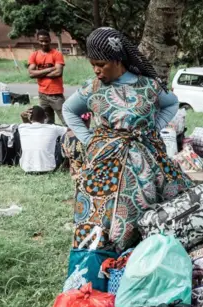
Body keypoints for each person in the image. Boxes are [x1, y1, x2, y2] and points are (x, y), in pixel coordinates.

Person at [62, 27, 191, 252]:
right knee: (102, 212)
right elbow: (69, 110)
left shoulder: (148, 86)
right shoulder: (92, 88)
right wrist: (88, 139)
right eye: (92, 64)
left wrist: (154, 127)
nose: (96, 70)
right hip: (105, 163)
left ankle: (147, 254)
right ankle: (102, 257)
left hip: (145, 159)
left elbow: (171, 103)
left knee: (151, 206)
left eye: (101, 64)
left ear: (117, 59)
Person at [29, 29, 66, 125]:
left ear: (50, 40)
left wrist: (39, 73)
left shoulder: (57, 54)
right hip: (42, 94)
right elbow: (31, 74)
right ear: (38, 41)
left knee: (66, 120)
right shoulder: (34, 55)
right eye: (41, 41)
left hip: (56, 94)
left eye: (46, 41)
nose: (44, 43)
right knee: (46, 122)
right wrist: (49, 69)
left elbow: (58, 72)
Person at [18, 106, 67, 173]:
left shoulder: (22, 128)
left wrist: (24, 118)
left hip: (26, 168)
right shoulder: (53, 128)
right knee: (59, 142)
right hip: (48, 168)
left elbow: (26, 124)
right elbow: (70, 131)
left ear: (30, 117)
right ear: (45, 117)